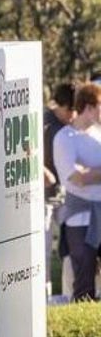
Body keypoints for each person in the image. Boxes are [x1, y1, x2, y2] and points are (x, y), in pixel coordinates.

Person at [53, 83, 101, 301]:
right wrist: (89, 174)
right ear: (89, 107)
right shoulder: (65, 138)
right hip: (79, 219)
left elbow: (86, 175)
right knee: (84, 281)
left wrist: (91, 172)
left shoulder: (98, 135)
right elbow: (75, 178)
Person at [44, 82, 76, 296]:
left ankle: (69, 296)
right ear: (61, 105)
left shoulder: (72, 126)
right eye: (70, 110)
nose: (72, 116)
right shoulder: (45, 122)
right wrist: (43, 170)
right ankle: (43, 299)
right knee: (43, 252)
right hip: (43, 199)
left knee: (71, 250)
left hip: (64, 196)